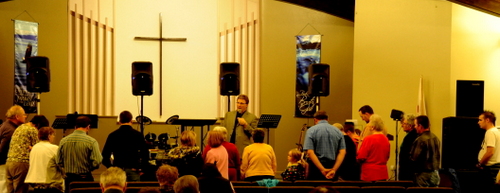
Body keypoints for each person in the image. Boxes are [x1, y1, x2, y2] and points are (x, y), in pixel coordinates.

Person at [56, 116, 103, 193]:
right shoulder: (91, 141)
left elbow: (58, 161)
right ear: (88, 127)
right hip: (85, 177)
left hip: (69, 178)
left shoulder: (63, 141)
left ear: (75, 126)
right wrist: (89, 168)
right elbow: (97, 161)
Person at [102, 111, 149, 181]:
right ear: (131, 120)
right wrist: (142, 168)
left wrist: (112, 168)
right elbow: (145, 154)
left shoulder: (113, 135)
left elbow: (104, 155)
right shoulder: (138, 135)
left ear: (120, 121)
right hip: (133, 169)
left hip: (118, 169)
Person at [6, 115, 48, 193]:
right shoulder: (32, 130)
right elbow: (38, 147)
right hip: (21, 163)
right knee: (20, 190)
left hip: (9, 162)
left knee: (10, 190)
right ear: (38, 125)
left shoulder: (19, 127)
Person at [303, 110, 345, 180]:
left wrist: (322, 169)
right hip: (332, 165)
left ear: (315, 120)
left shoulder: (311, 130)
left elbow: (310, 152)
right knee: (331, 189)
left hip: (316, 167)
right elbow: (342, 152)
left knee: (316, 189)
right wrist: (334, 169)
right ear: (328, 119)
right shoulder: (338, 131)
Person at [25, 127, 64, 193]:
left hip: (34, 183)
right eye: (53, 135)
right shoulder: (54, 148)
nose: (54, 137)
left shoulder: (34, 147)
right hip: (50, 184)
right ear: (49, 136)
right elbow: (61, 165)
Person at [0, 105, 27, 193]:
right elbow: (3, 148)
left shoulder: (5, 125)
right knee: (5, 188)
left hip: (5, 163)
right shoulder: (11, 130)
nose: (25, 116)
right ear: (17, 116)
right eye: (23, 114)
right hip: (4, 163)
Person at [356, 114, 390, 181]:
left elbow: (361, 156)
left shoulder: (368, 139)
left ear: (372, 127)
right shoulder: (386, 139)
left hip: (369, 173)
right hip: (382, 173)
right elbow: (387, 156)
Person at [410, 115, 440, 187]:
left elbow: (414, 158)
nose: (415, 127)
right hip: (435, 174)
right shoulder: (436, 138)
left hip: (423, 175)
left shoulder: (420, 140)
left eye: (416, 125)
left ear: (420, 126)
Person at [477, 111, 500, 192]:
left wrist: (480, 163)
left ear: (487, 120)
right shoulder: (496, 131)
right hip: (494, 166)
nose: (478, 122)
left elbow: (490, 152)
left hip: (490, 168)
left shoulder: (490, 132)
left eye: (480, 120)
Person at [399, 114, 418, 181]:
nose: (402, 125)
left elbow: (406, 154)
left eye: (404, 123)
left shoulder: (411, 137)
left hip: (408, 170)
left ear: (410, 125)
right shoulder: (412, 135)